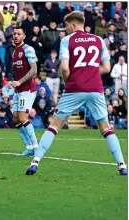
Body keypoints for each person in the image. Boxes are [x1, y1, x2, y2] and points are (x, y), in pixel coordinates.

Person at [26, 11, 127, 176]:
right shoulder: (99, 40)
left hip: (74, 88)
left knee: (54, 126)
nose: (65, 30)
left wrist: (70, 81)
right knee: (106, 128)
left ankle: (35, 162)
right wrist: (91, 73)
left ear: (74, 25)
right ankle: (122, 165)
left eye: (66, 26)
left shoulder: (67, 40)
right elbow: (107, 68)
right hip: (95, 88)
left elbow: (64, 68)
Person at [10, 26, 39, 156]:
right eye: (14, 34)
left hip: (27, 89)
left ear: (24, 36)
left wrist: (20, 82)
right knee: (16, 118)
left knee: (22, 117)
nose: (16, 36)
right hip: (18, 89)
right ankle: (29, 147)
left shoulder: (28, 49)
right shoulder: (14, 52)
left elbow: (34, 70)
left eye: (18, 34)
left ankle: (36, 147)